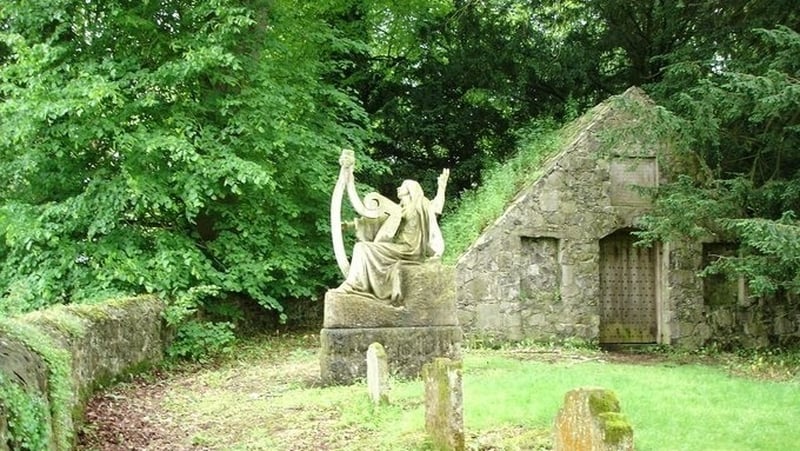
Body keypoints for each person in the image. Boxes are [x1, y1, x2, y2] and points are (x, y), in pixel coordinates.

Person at [334, 165, 449, 303]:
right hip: (399, 249)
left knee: (362, 248)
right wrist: (350, 225)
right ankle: (356, 284)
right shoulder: (398, 209)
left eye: (402, 186)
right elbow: (375, 219)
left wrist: (441, 188)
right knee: (362, 248)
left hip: (409, 250)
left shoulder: (421, 204)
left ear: (410, 190)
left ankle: (354, 285)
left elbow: (436, 207)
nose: (398, 188)